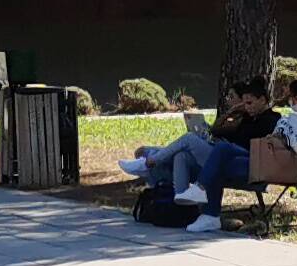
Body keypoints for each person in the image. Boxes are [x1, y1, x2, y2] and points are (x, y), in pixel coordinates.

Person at [116, 76, 280, 224]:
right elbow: (217, 132)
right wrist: (230, 114)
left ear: (263, 100)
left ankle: (148, 162)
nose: (246, 107)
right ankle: (181, 201)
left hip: (235, 159)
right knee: (182, 155)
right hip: (222, 153)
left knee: (189, 139)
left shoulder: (271, 119)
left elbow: (252, 144)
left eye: (249, 103)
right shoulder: (246, 118)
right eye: (244, 103)